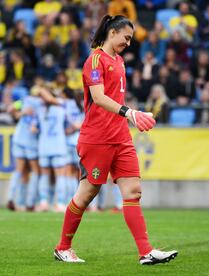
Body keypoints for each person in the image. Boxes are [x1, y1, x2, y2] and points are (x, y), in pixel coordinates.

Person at [41, 14, 178, 265]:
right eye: (126, 37)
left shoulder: (120, 61)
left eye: (131, 39)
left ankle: (145, 252)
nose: (128, 42)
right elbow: (99, 97)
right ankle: (63, 247)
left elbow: (116, 98)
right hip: (97, 138)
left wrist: (133, 115)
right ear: (112, 33)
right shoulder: (94, 60)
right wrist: (130, 113)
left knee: (133, 192)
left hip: (121, 137)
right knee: (87, 193)